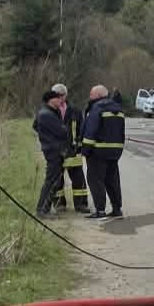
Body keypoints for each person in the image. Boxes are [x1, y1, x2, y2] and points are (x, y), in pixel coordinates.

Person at [81, 84, 126, 220]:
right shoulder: (118, 109)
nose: (89, 97)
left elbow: (91, 131)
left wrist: (85, 150)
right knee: (112, 180)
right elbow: (121, 132)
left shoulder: (97, 108)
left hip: (97, 151)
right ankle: (117, 209)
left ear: (99, 96)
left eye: (91, 94)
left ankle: (100, 210)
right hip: (115, 152)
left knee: (95, 180)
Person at [49, 82, 89, 213]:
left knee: (78, 179)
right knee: (57, 180)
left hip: (72, 150)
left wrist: (79, 145)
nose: (59, 98)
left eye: (61, 95)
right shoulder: (47, 111)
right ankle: (59, 204)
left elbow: (81, 129)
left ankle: (81, 204)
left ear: (65, 96)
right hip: (54, 151)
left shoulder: (75, 111)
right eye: (56, 95)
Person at [33, 88, 69, 216]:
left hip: (52, 148)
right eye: (57, 98)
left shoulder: (48, 112)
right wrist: (51, 138)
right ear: (50, 100)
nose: (60, 100)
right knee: (51, 181)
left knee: (54, 180)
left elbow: (35, 126)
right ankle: (42, 210)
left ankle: (44, 209)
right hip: (54, 151)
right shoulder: (47, 114)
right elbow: (63, 131)